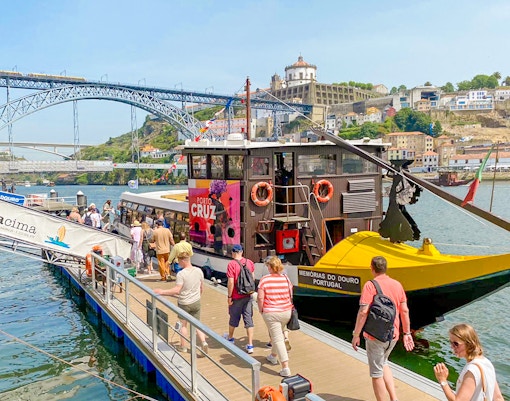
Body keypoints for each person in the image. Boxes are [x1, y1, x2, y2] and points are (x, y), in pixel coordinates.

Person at [351, 256, 414, 401]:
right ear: (385, 268)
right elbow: (404, 311)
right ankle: (394, 398)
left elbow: (363, 312)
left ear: (372, 268)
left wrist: (356, 334)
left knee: (376, 373)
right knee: (384, 363)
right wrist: (407, 333)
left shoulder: (369, 286)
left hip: (375, 336)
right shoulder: (397, 285)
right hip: (393, 334)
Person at [154, 252, 208, 354]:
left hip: (184, 303)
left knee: (183, 325)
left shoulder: (181, 274)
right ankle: (204, 342)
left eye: (179, 261)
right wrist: (197, 296)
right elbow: (201, 287)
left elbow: (177, 290)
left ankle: (183, 347)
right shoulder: (199, 271)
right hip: (196, 301)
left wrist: (162, 292)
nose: (178, 263)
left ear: (183, 261)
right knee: (197, 324)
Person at [433, 323, 504, 401]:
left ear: (469, 344)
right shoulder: (487, 363)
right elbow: (498, 398)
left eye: (456, 344)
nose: (452, 347)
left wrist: (442, 380)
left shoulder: (472, 370)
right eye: (451, 343)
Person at [257, 256, 293, 377]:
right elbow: (290, 294)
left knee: (277, 338)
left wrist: (261, 309)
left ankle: (285, 367)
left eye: (268, 266)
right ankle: (273, 356)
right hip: (286, 311)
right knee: (277, 334)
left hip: (271, 312)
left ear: (271, 267)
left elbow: (260, 298)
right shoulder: (286, 279)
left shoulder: (265, 280)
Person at [225, 244, 255, 354]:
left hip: (236, 296)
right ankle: (250, 345)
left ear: (233, 253)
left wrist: (229, 296)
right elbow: (252, 278)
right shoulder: (249, 262)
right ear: (242, 252)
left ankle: (231, 338)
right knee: (248, 319)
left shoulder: (231, 264)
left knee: (233, 317)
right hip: (248, 295)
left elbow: (231, 282)